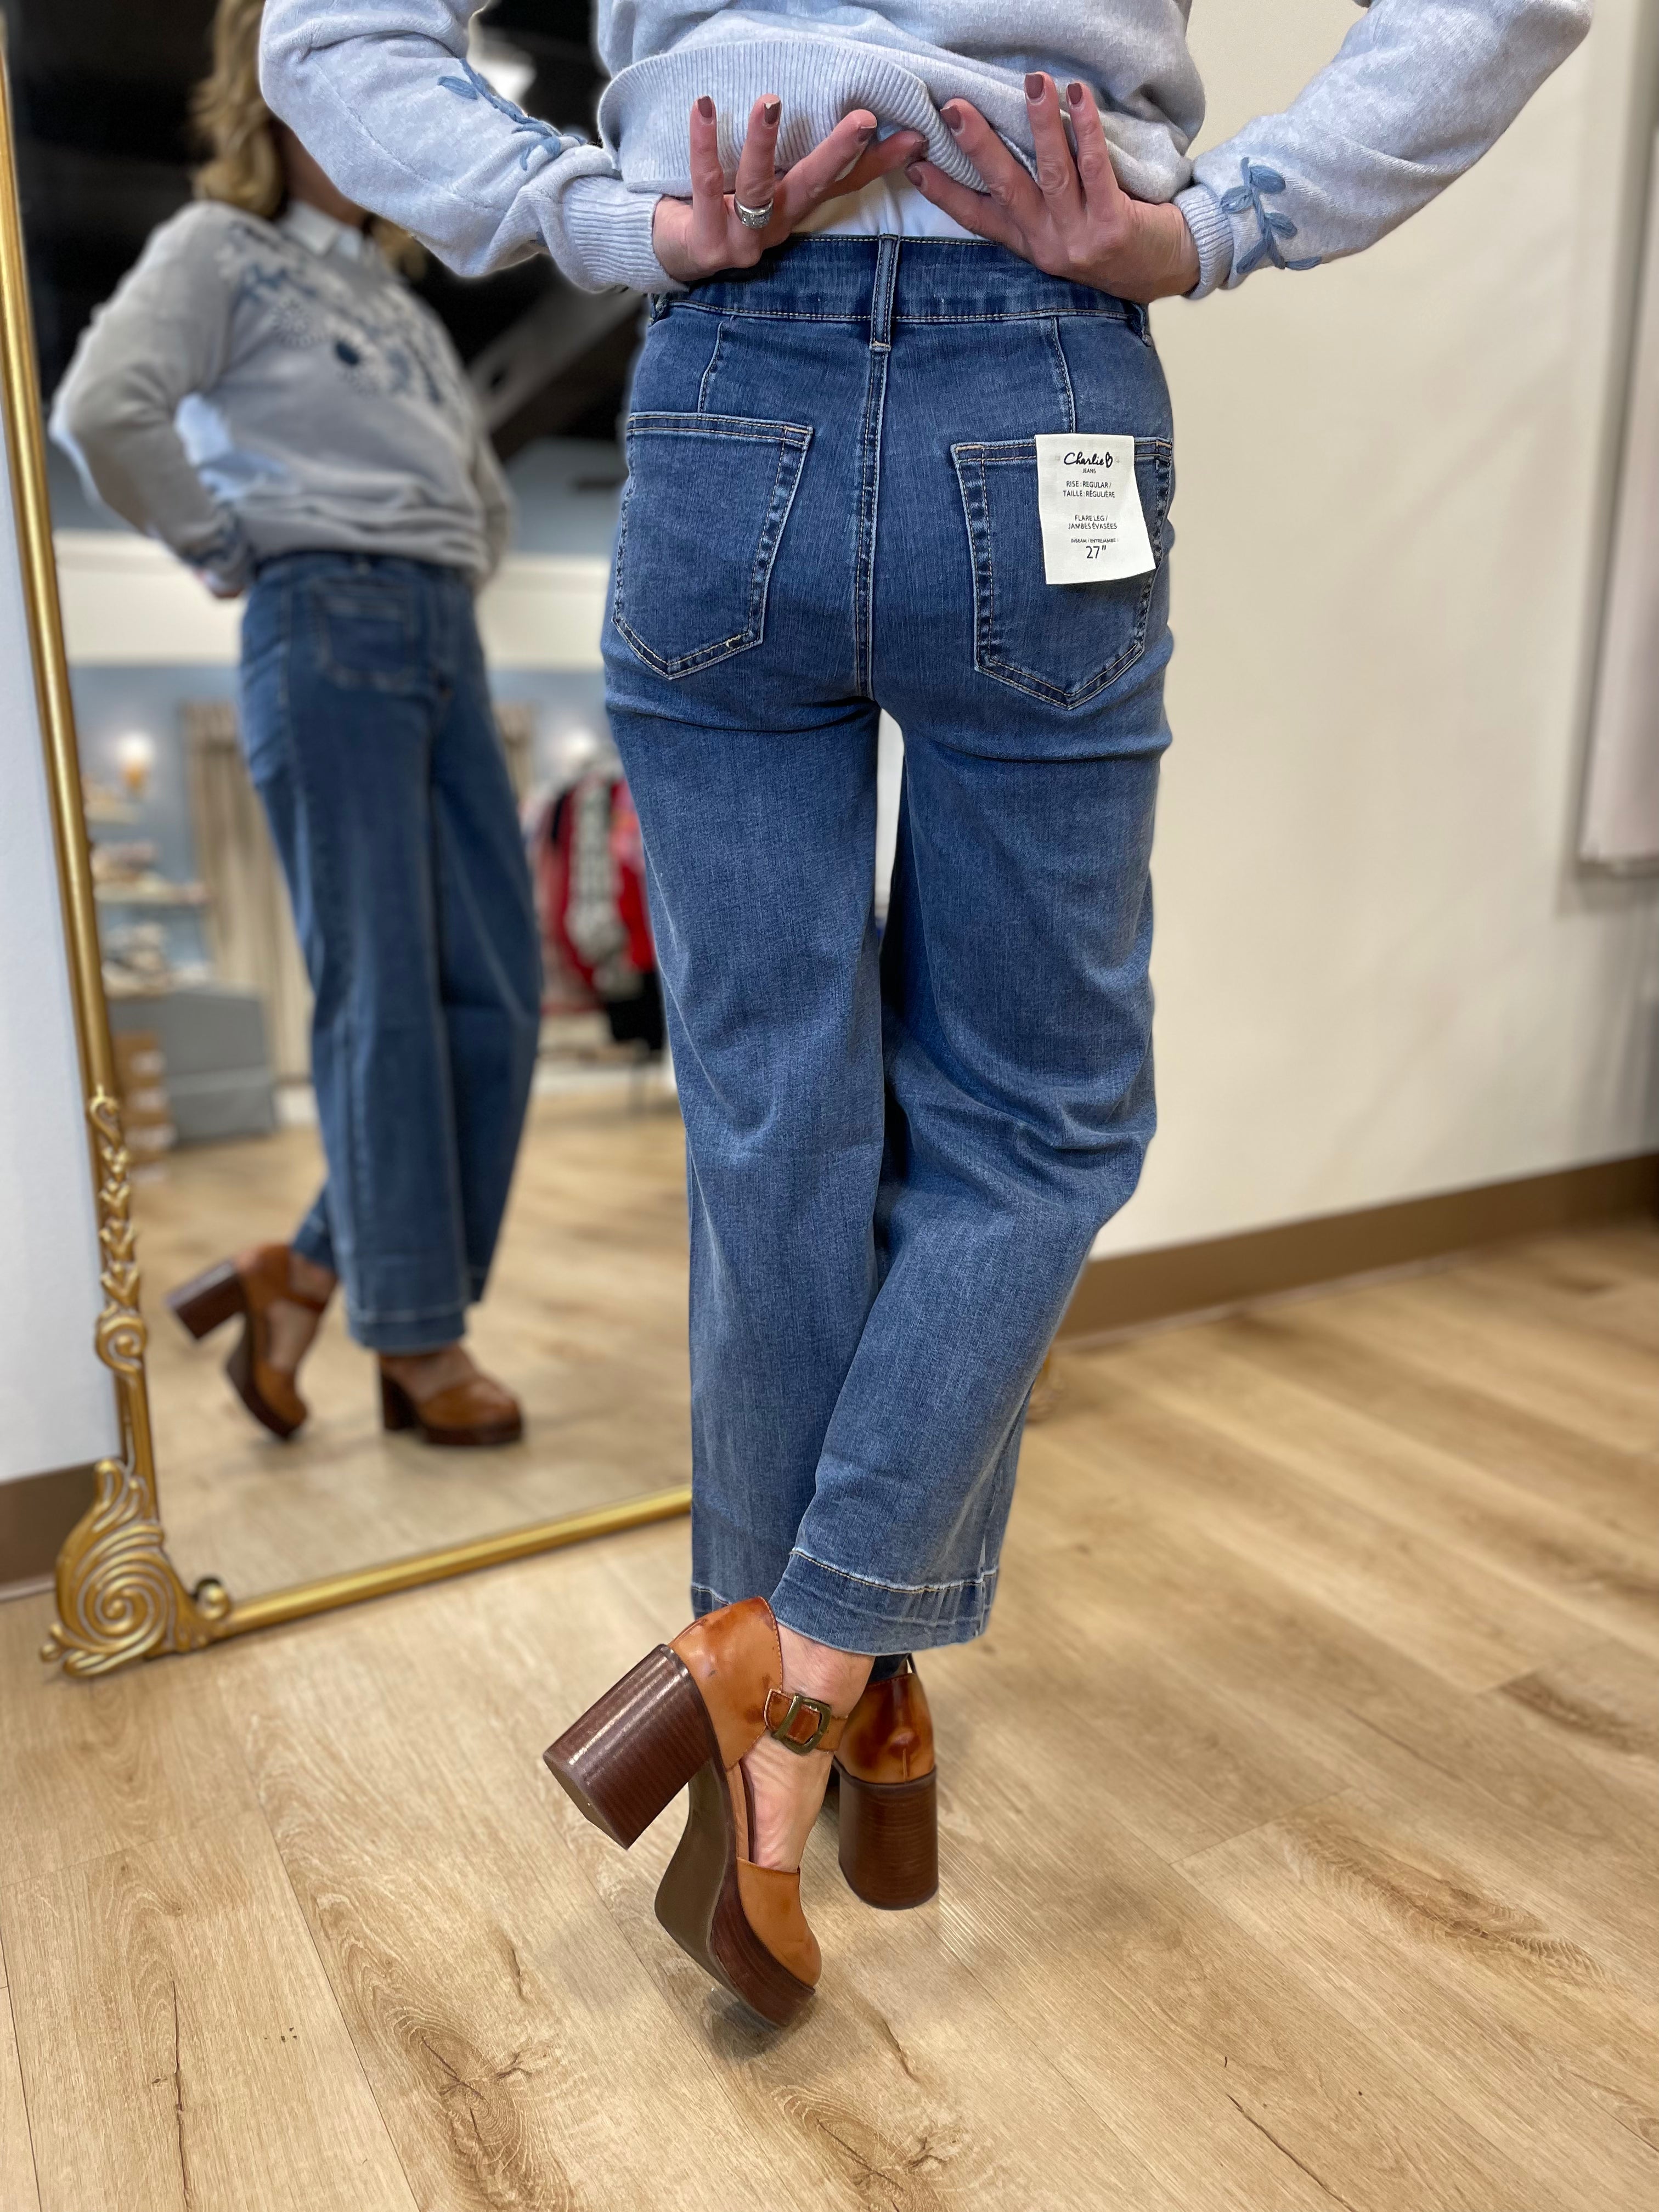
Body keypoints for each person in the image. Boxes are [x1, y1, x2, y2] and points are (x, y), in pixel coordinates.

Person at [261, 0, 1590, 2020]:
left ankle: (785, 1690)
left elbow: (325, 34)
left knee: (773, 1117)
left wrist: (590, 212)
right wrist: (1224, 222)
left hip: (725, 378)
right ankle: (821, 1676)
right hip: (1037, 371)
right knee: (1040, 1118)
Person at [54, 0, 543, 1452]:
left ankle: (308, 1270)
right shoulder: (218, 250)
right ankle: (419, 1339)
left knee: (499, 995)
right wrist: (225, 543)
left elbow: (481, 493)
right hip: (322, 621)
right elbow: (105, 409)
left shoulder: (401, 303)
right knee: (381, 995)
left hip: (440, 630)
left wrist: (456, 566)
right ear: (279, 94)